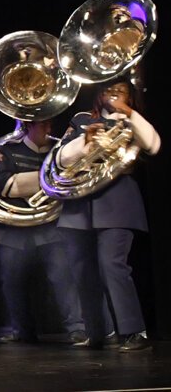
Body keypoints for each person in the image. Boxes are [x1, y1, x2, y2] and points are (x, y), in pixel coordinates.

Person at [60, 78, 158, 352]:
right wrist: (85, 141)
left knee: (112, 264)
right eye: (108, 90)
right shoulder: (81, 120)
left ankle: (134, 331)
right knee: (81, 269)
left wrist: (128, 112)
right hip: (80, 204)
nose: (113, 94)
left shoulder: (133, 121)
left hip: (118, 202)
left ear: (130, 95)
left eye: (120, 90)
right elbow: (62, 159)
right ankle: (99, 332)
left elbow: (153, 145)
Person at [0, 118, 84, 344]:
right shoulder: (8, 151)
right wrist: (49, 178)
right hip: (13, 228)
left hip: (51, 226)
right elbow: (4, 185)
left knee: (63, 277)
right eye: (43, 125)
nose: (50, 129)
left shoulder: (60, 154)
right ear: (29, 126)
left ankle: (77, 328)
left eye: (50, 124)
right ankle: (22, 330)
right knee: (11, 280)